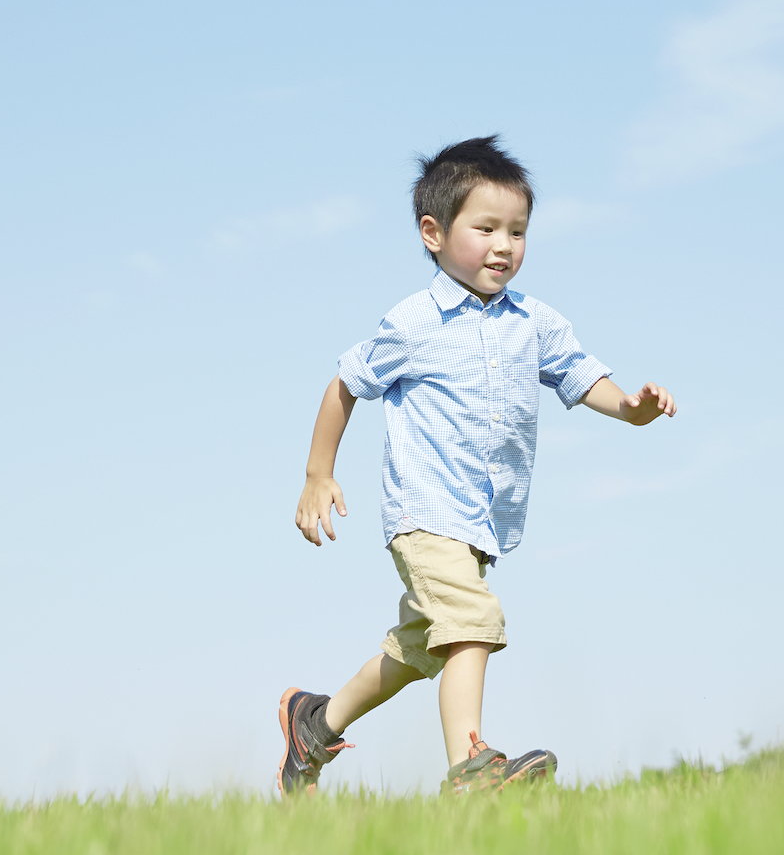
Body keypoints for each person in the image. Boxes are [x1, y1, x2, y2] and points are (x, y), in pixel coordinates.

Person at [278, 135, 676, 796]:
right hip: (424, 512)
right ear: (433, 233)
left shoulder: (534, 321)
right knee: (472, 623)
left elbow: (579, 376)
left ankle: (313, 725)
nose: (505, 246)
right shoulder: (413, 323)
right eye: (486, 228)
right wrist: (319, 474)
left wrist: (631, 408)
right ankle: (472, 764)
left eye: (518, 231)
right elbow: (344, 383)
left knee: (416, 650)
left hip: (479, 521)